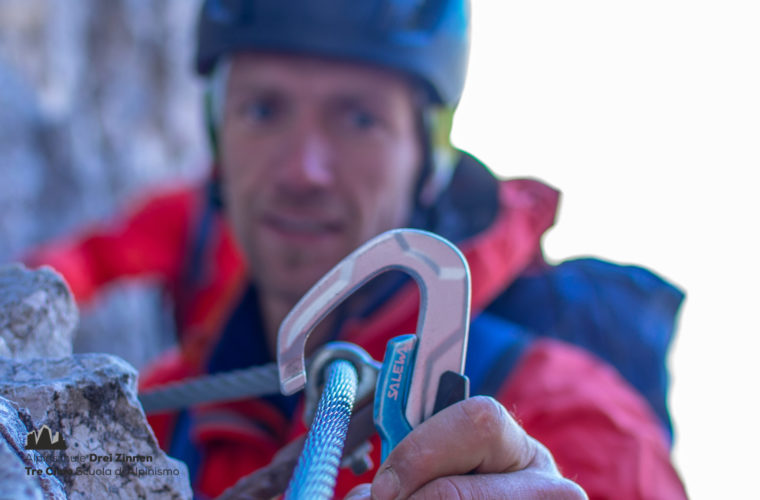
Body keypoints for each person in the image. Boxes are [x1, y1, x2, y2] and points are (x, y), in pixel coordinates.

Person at [24, 1, 687, 498]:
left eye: (359, 118)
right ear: (216, 140)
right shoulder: (161, 414)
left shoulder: (577, 417)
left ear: (427, 160)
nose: (303, 170)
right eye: (264, 110)